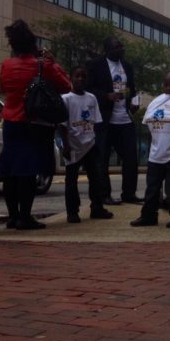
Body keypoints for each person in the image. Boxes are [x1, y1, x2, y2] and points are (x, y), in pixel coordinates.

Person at [0, 19, 71, 230]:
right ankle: (25, 216)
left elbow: (3, 87)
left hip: (10, 121)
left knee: (11, 170)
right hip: (34, 122)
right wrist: (53, 62)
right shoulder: (43, 65)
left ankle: (12, 216)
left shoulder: (6, 65)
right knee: (28, 171)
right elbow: (66, 85)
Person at [130, 73, 170, 228]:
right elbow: (148, 122)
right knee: (152, 188)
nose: (169, 88)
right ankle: (149, 216)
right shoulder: (156, 101)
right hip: (156, 152)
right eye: (166, 84)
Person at [85, 37, 142, 205]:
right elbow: (88, 89)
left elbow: (132, 88)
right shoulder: (95, 65)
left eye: (121, 46)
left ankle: (129, 194)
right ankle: (104, 195)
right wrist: (106, 96)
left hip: (124, 119)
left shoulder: (127, 66)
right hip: (105, 120)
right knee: (102, 159)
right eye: (116, 47)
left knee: (131, 158)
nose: (120, 49)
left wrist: (133, 102)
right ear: (107, 50)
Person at [58, 67, 114, 224]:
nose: (81, 79)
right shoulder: (66, 99)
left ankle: (97, 207)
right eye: (77, 76)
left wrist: (96, 141)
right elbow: (62, 125)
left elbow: (96, 121)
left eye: (83, 76)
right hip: (74, 145)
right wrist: (66, 145)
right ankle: (72, 211)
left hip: (90, 144)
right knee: (71, 180)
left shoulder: (91, 98)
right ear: (71, 78)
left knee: (96, 178)